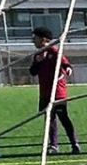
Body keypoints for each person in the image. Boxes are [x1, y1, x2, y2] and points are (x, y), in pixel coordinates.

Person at [29, 27, 82, 155]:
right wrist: (37, 62)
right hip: (44, 93)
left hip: (58, 93)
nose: (32, 41)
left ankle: (74, 143)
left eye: (35, 38)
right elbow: (32, 72)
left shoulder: (54, 51)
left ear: (43, 39)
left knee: (64, 118)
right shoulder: (37, 55)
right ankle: (53, 145)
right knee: (49, 119)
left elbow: (65, 64)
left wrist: (67, 68)